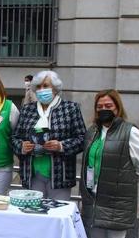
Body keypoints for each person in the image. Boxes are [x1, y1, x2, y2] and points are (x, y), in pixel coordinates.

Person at [81, 89, 139, 238]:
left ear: (117, 107)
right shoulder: (92, 131)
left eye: (108, 106)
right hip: (93, 193)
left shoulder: (130, 131)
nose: (104, 110)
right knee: (97, 237)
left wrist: (124, 182)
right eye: (100, 107)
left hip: (117, 195)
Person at [12, 70, 85, 201]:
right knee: (33, 215)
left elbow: (82, 139)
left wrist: (61, 146)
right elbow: (14, 138)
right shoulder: (27, 110)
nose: (41, 90)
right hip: (31, 174)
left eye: (45, 86)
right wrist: (22, 146)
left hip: (60, 175)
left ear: (55, 89)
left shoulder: (70, 109)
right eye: (38, 87)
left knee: (56, 214)